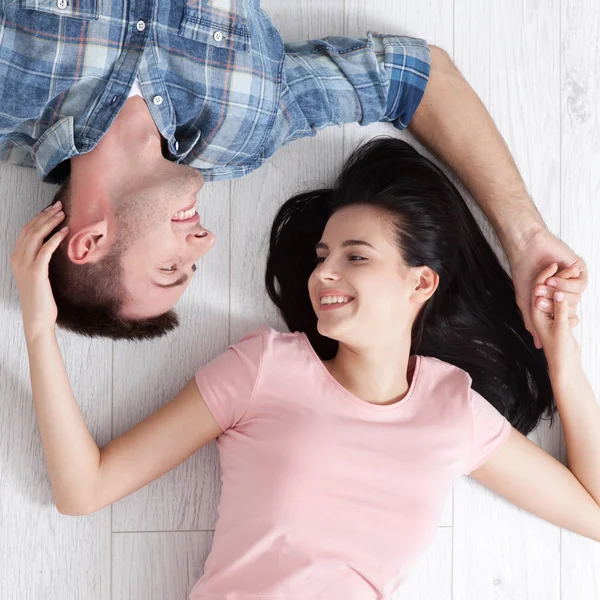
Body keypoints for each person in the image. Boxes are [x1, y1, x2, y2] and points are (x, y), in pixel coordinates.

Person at [10, 139, 600, 599]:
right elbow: (83, 490)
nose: (324, 274)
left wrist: (563, 361)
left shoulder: (454, 412)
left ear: (420, 282)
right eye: (323, 257)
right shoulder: (266, 369)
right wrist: (39, 327)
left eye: (355, 256)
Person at [0, 1, 586, 343]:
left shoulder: (9, 99)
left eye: (172, 265)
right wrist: (527, 240)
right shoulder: (244, 132)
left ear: (91, 241)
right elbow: (418, 78)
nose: (204, 240)